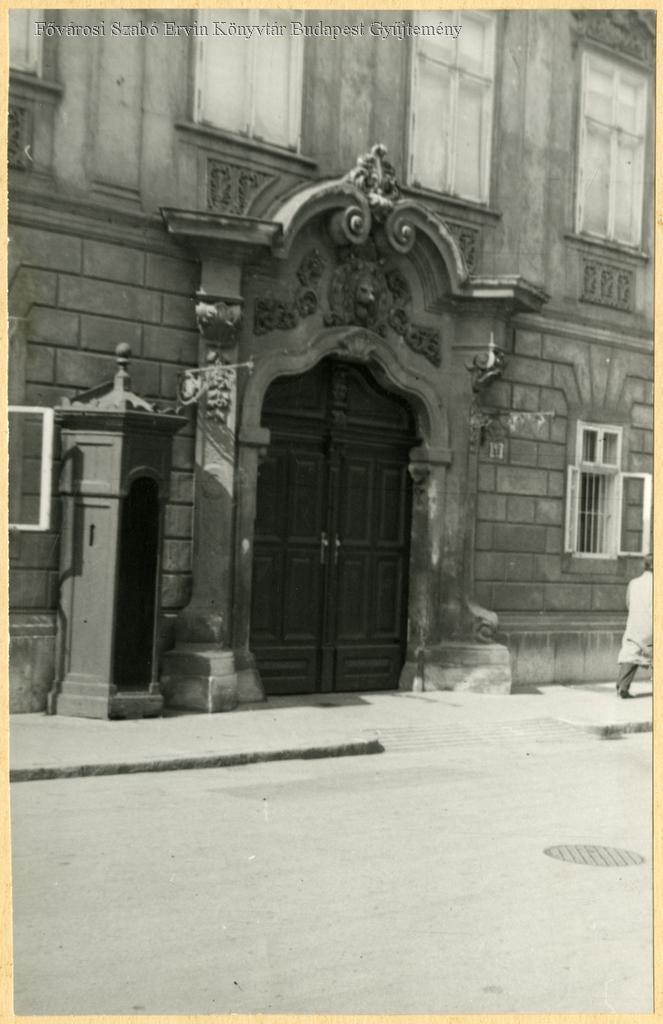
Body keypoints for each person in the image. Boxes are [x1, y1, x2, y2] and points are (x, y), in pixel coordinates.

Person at [616, 553, 653, 698]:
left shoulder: (634, 583)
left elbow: (628, 603)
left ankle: (622, 686)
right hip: (652, 625)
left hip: (635, 623)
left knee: (630, 655)